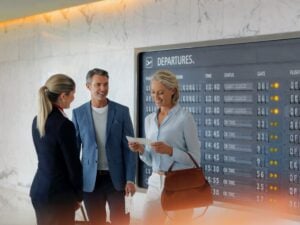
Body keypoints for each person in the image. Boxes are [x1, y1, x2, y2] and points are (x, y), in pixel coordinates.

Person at [128, 70, 201, 225]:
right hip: (155, 181)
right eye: (153, 92)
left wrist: (170, 151)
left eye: (160, 92)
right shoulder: (149, 120)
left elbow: (195, 159)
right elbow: (151, 160)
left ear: (172, 90)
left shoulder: (185, 117)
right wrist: (141, 150)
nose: (156, 97)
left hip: (179, 183)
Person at [72, 68, 136, 225]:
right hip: (90, 181)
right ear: (88, 86)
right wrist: (74, 184)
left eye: (106, 84)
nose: (103, 89)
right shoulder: (78, 113)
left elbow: (130, 149)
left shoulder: (122, 111)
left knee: (121, 221)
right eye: (98, 84)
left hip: (117, 180)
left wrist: (130, 179)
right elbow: (74, 152)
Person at [30, 74, 83, 225]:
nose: (74, 97)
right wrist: (78, 195)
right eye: (73, 93)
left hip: (39, 191)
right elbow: (72, 165)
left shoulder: (37, 120)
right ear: (63, 96)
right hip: (58, 197)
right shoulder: (64, 125)